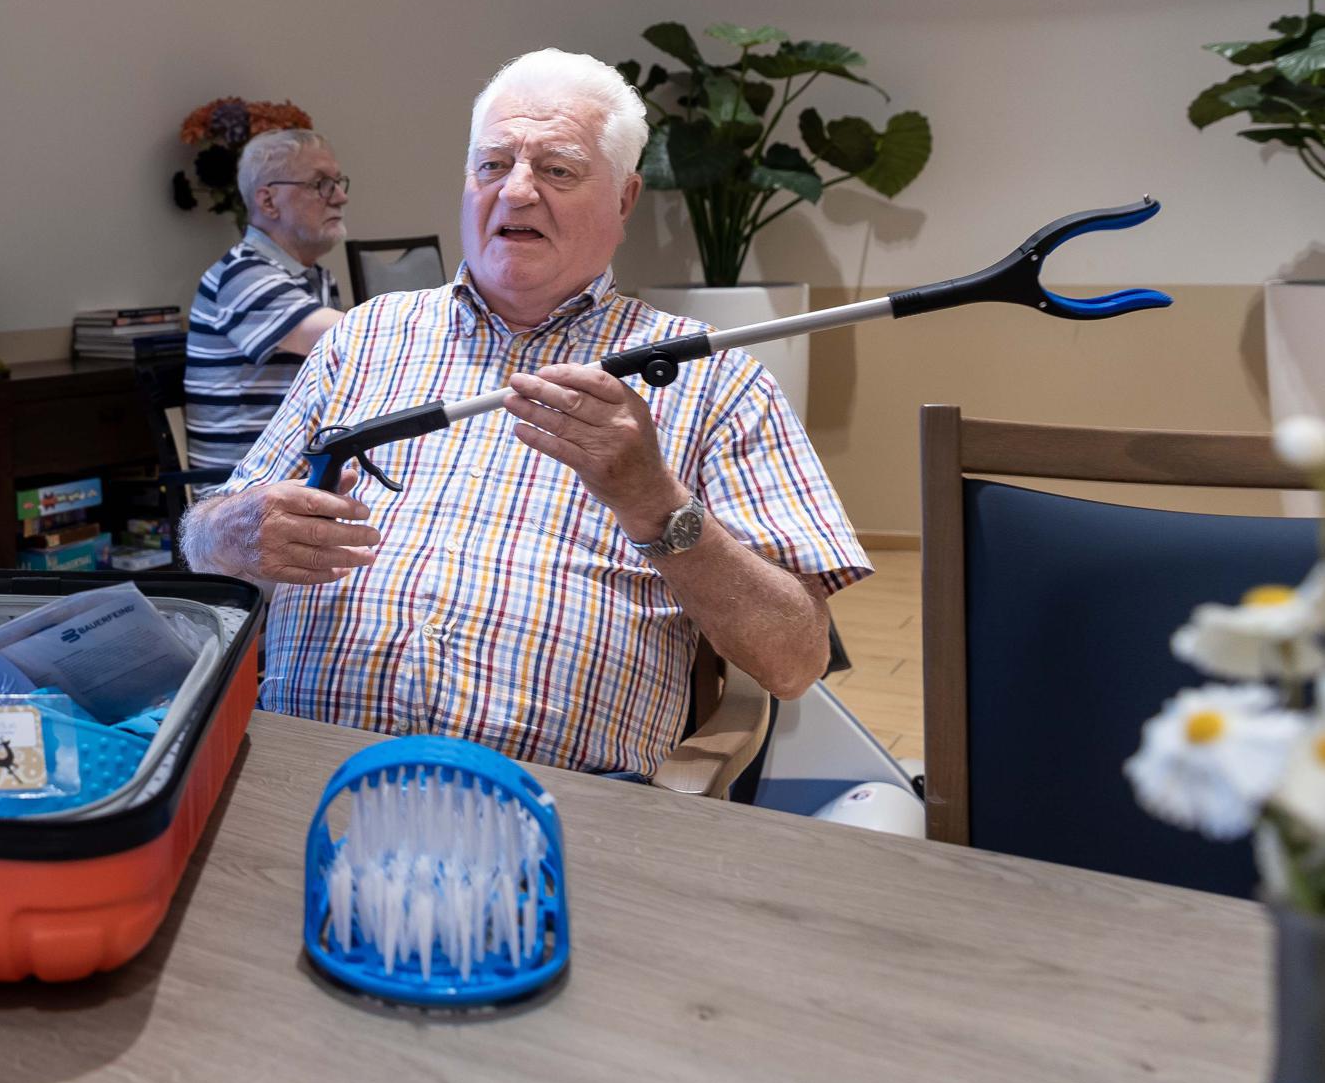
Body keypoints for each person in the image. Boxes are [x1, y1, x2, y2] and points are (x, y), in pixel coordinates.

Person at [178, 49, 868, 777]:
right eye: (492, 165)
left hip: (557, 811)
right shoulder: (362, 339)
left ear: (625, 199)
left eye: (558, 170)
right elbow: (203, 539)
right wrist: (230, 530)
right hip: (306, 781)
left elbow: (795, 659)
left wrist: (655, 503)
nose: (515, 191)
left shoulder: (716, 379)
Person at [183, 130, 347, 473]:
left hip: (293, 473)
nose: (340, 197)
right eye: (320, 184)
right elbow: (349, 338)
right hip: (243, 488)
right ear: (268, 202)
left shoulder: (317, 277)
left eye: (337, 182)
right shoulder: (241, 275)